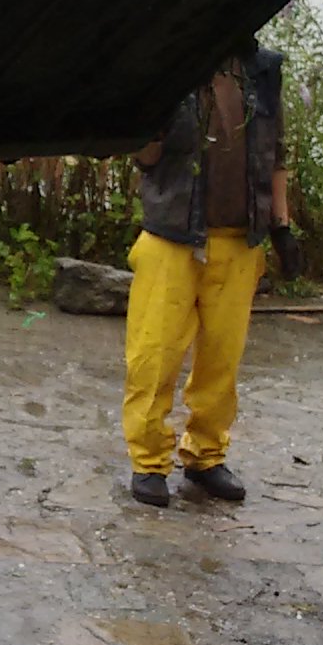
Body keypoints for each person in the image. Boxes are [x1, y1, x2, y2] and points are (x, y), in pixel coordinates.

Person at [122, 36, 295, 509]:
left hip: (239, 241)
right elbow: (145, 157)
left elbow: (276, 152)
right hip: (171, 238)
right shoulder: (168, 64)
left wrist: (281, 226)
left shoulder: (262, 70)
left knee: (222, 360)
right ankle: (149, 463)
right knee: (154, 356)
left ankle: (205, 456)